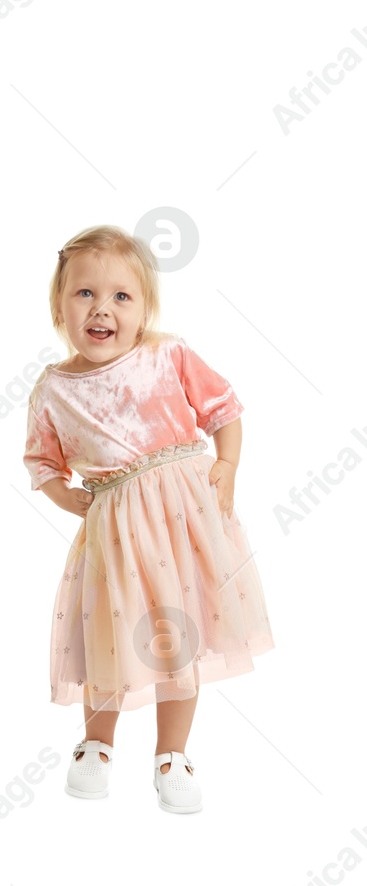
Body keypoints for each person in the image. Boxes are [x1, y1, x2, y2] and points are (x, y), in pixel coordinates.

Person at [24, 224, 274, 814]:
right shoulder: (54, 388)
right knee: (109, 633)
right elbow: (41, 460)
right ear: (59, 307)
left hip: (184, 520)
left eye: (120, 296)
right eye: (84, 294)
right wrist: (69, 498)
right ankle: (96, 745)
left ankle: (172, 754)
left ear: (143, 310)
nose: (101, 309)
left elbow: (223, 409)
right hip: (114, 532)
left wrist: (229, 464)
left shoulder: (168, 354)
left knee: (178, 634)